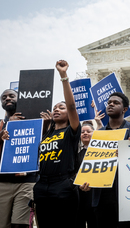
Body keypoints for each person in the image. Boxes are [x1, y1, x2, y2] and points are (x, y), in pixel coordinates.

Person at [80, 92, 130, 228]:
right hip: (101, 198)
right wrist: (86, 182)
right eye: (109, 103)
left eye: (116, 103)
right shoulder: (98, 134)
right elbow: (94, 163)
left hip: (127, 198)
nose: (111, 104)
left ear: (124, 109)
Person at [33, 60, 81, 228]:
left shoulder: (71, 132)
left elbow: (72, 106)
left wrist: (63, 76)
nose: (57, 109)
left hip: (63, 186)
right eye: (55, 108)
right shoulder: (47, 134)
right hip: (42, 186)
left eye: (61, 107)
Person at [0, 89, 38, 228]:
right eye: (4, 97)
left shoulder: (34, 122)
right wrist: (8, 124)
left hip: (26, 182)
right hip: (2, 183)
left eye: (11, 96)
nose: (7, 98)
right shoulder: (0, 124)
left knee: (20, 225)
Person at [76, 123, 97, 228]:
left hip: (95, 194)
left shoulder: (100, 152)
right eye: (82, 132)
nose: (85, 133)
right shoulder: (75, 154)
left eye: (88, 131)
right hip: (79, 195)